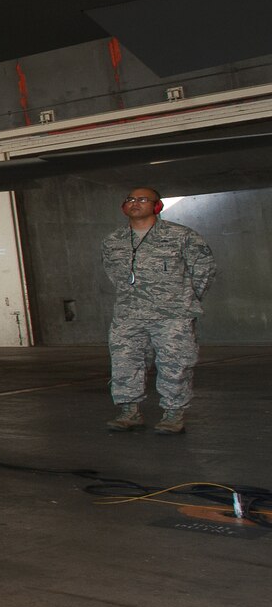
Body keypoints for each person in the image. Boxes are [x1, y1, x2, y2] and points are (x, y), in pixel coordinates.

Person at [102, 186, 214, 435]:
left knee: (175, 364)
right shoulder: (113, 241)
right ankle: (129, 412)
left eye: (142, 199)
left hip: (172, 315)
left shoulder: (181, 236)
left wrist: (185, 299)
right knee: (124, 362)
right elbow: (113, 274)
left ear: (157, 206)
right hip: (128, 314)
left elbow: (204, 268)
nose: (135, 203)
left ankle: (173, 415)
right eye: (130, 198)